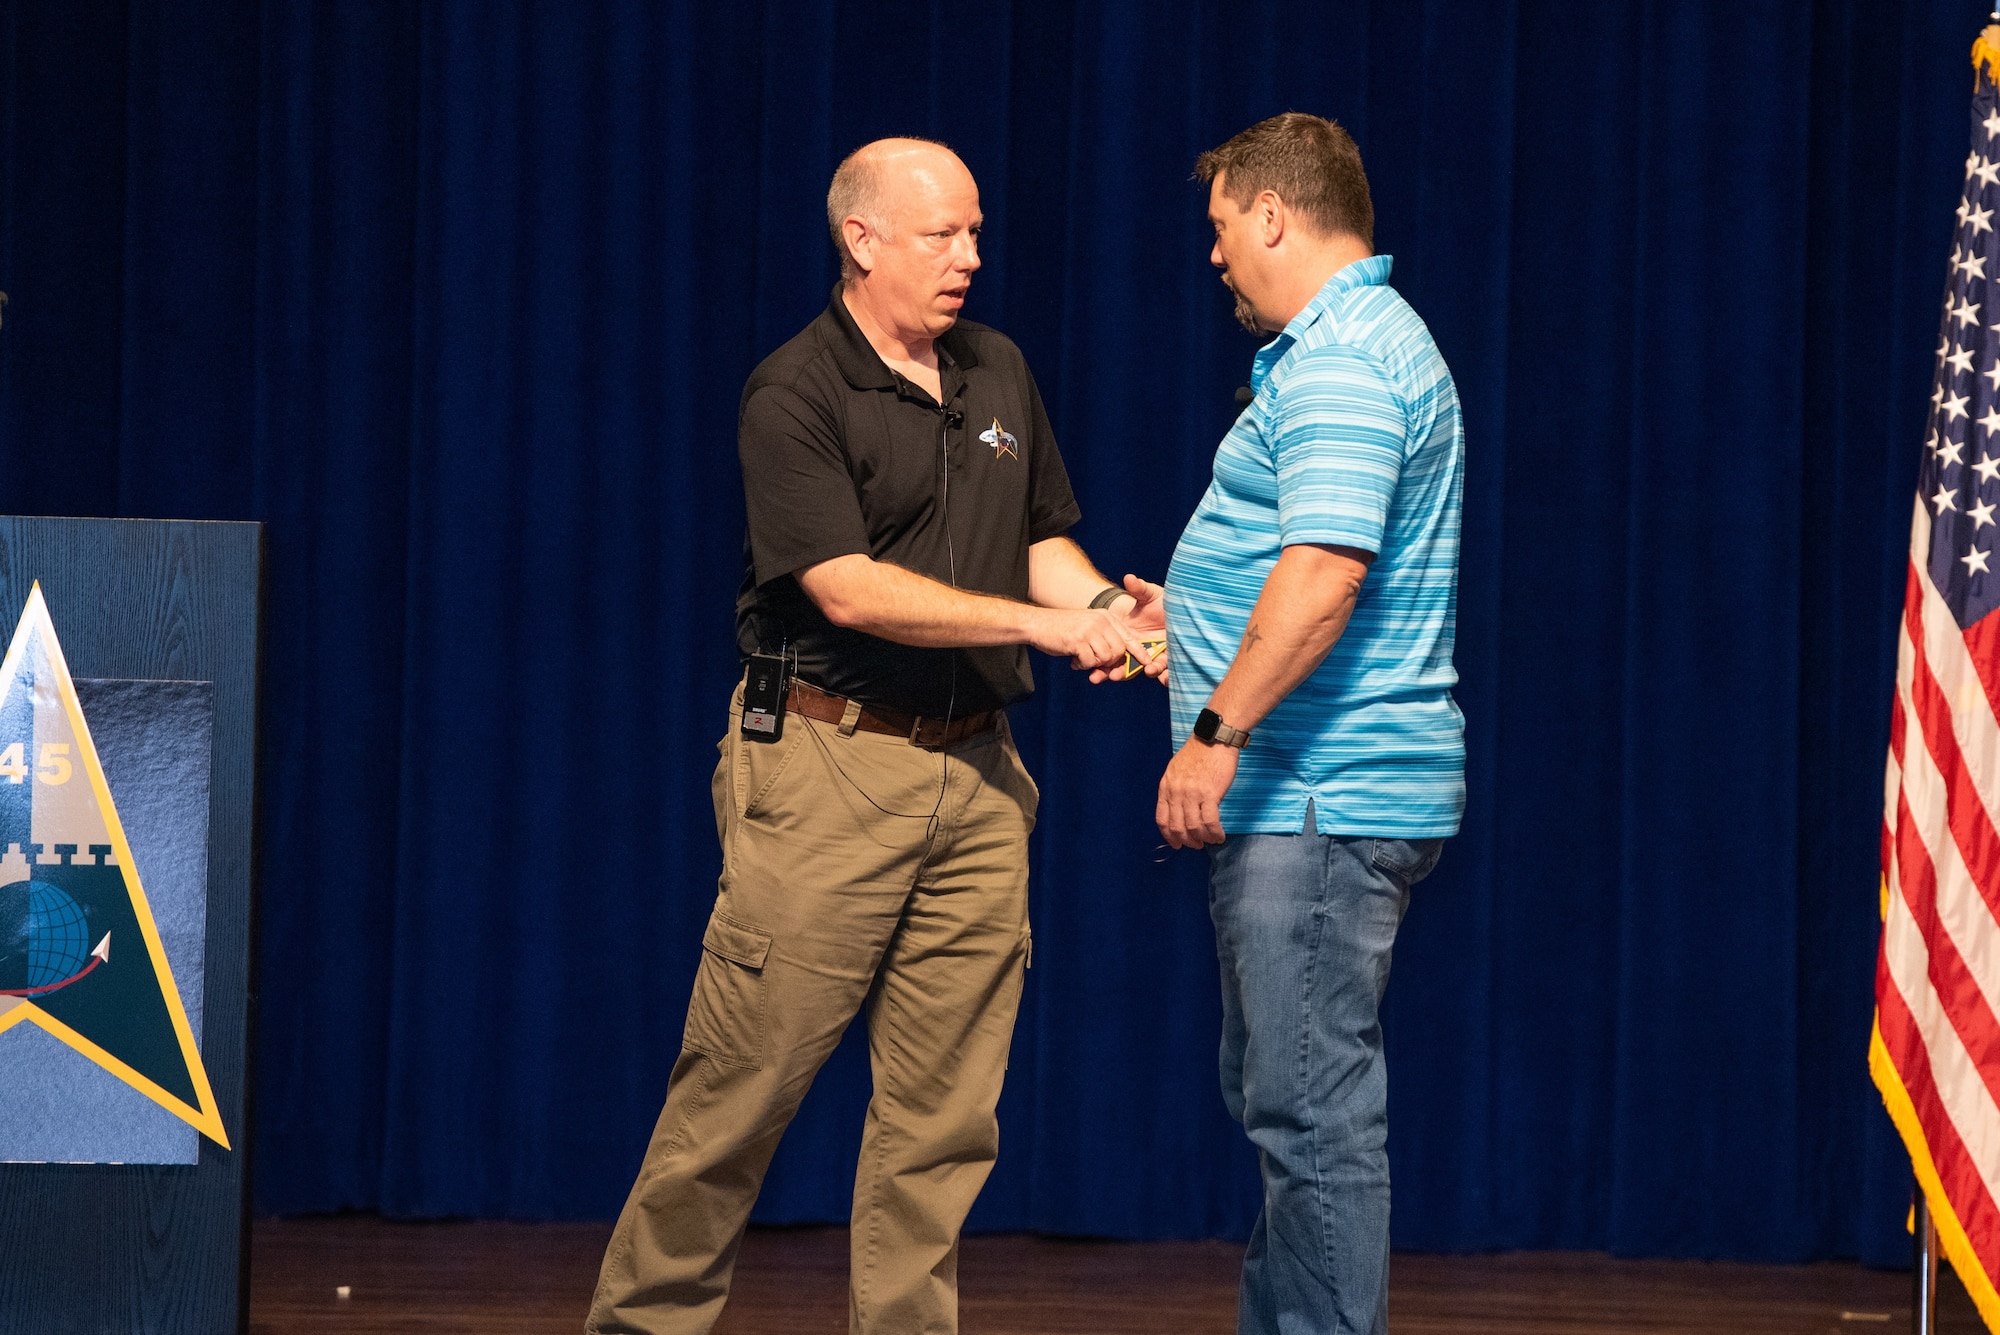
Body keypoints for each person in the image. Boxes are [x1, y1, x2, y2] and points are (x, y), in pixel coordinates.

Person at [586, 137, 1163, 1335]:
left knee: (944, 1122)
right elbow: (846, 589)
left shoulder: (995, 369)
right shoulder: (793, 390)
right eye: (941, 235)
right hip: (829, 766)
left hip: (978, 773)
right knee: (738, 1095)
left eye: (974, 231)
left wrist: (1106, 609)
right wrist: (1038, 628)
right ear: (861, 241)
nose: (970, 257)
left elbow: (1036, 539)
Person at [1155, 113, 1465, 1335]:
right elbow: (1305, 564)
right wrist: (1178, 613)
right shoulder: (1359, 344)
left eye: (1224, 228)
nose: (1217, 257)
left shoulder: (1339, 358)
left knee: (1311, 1120)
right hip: (1318, 796)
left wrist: (1215, 727)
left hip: (1316, 800)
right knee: (1289, 1110)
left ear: (1274, 214)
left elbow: (1327, 571)